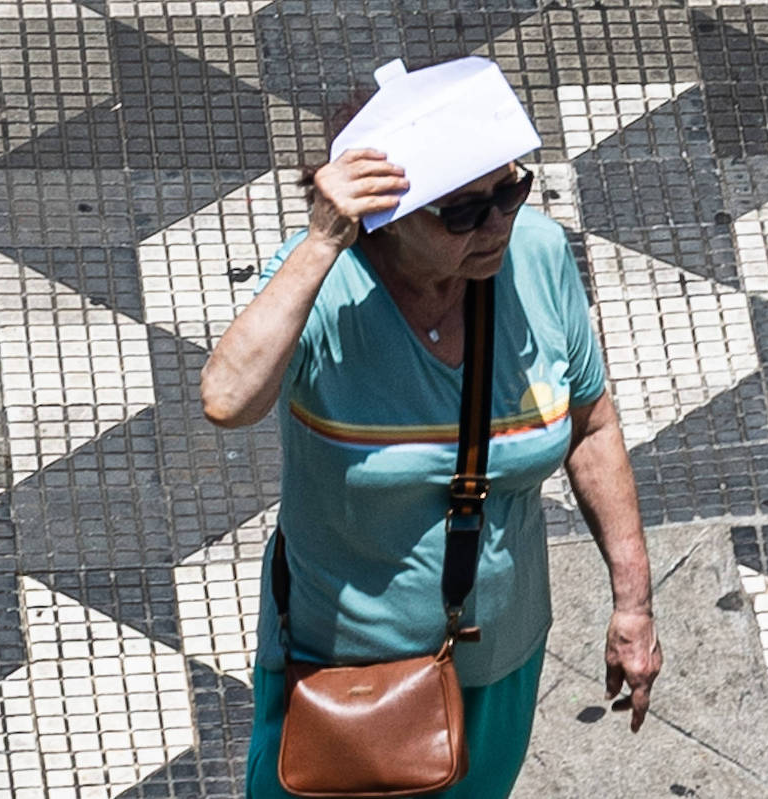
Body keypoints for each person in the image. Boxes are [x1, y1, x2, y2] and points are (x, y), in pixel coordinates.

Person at [200, 71, 662, 799]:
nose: (497, 225)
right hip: (344, 673)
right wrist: (324, 236)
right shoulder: (327, 287)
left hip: (500, 658)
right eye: (461, 213)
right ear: (384, 217)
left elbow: (591, 425)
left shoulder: (536, 256)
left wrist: (632, 602)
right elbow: (227, 398)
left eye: (510, 192)